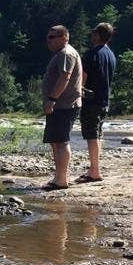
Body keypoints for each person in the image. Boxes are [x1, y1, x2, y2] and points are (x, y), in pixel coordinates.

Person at [41, 25, 83, 190]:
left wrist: (52, 99)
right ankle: (59, 177)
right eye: (47, 37)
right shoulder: (63, 54)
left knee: (61, 141)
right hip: (60, 105)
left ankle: (62, 180)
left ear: (64, 37)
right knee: (55, 141)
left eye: (52, 37)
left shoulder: (66, 53)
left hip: (64, 105)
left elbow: (65, 77)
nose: (48, 41)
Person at [77, 22, 116, 182]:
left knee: (91, 135)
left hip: (91, 100)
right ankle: (94, 168)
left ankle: (95, 171)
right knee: (97, 133)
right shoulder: (111, 55)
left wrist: (78, 94)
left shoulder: (92, 54)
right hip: (104, 100)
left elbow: (82, 78)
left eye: (94, 32)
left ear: (98, 35)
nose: (92, 35)